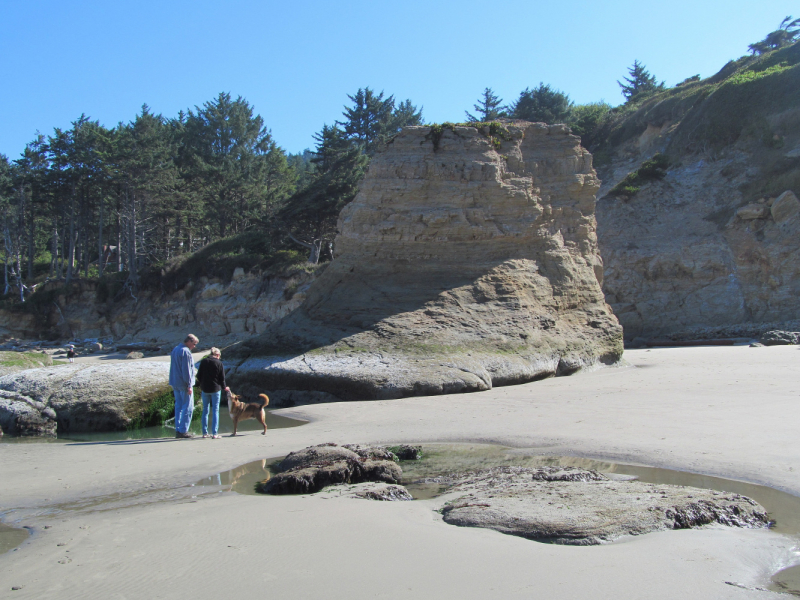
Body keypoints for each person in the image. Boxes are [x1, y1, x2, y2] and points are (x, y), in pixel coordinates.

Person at [195, 347, 230, 439]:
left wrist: (202, 383)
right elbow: (222, 379)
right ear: (217, 355)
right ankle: (215, 433)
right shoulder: (219, 363)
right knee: (215, 411)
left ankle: (204, 433)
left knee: (205, 411)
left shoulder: (203, 362)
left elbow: (198, 375)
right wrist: (224, 388)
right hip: (215, 389)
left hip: (205, 389)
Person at [169, 334, 198, 439]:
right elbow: (187, 370)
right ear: (189, 342)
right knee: (187, 407)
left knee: (179, 406)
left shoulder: (175, 349)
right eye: (194, 344)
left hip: (175, 382)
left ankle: (178, 429)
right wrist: (189, 385)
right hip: (183, 384)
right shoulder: (185, 351)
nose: (194, 346)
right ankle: (183, 430)